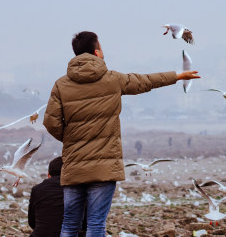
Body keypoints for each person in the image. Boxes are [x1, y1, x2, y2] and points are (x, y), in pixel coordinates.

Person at [44, 31, 199, 237]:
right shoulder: (112, 79)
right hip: (104, 166)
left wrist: (72, 139)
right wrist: (177, 76)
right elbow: (145, 81)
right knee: (96, 224)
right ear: (97, 52)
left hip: (74, 165)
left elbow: (50, 122)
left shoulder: (61, 84)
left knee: (70, 224)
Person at [28, 157, 86, 236]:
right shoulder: (79, 189)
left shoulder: (37, 189)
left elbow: (32, 222)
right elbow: (86, 222)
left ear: (48, 175)